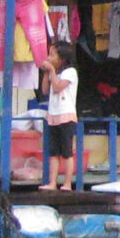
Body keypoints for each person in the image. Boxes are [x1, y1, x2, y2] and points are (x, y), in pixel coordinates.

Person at [42, 41, 80, 191]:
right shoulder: (55, 74)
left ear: (62, 58)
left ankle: (67, 183)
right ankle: (52, 182)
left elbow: (57, 88)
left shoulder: (70, 72)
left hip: (66, 116)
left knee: (66, 152)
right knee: (53, 152)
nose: (49, 57)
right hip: (53, 116)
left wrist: (51, 71)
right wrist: (47, 74)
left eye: (52, 55)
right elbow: (45, 91)